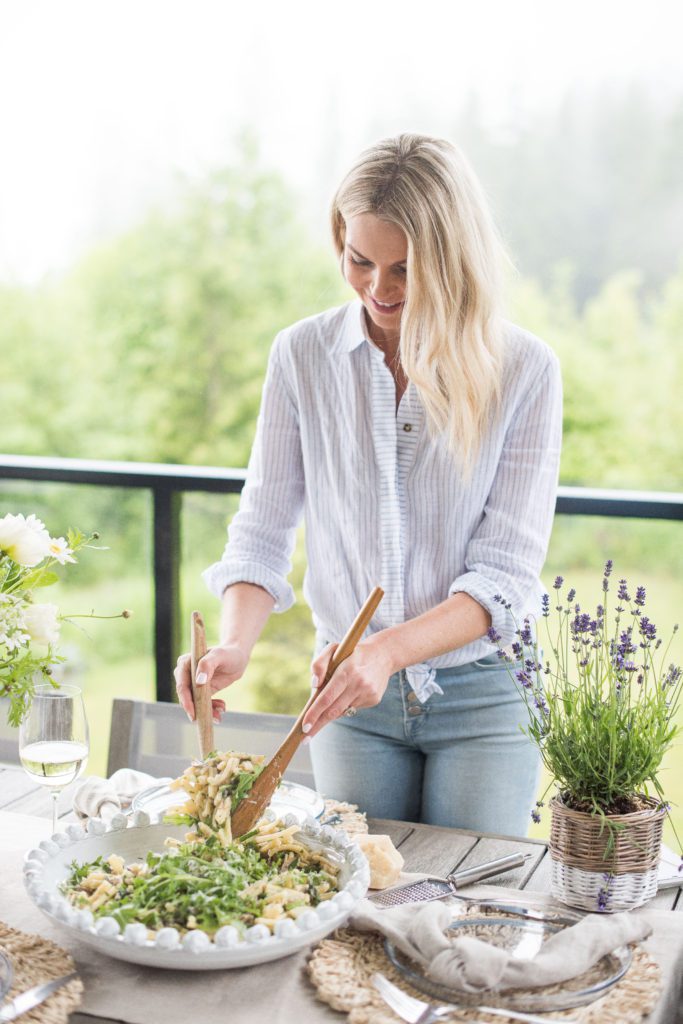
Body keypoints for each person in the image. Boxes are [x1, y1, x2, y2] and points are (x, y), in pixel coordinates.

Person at [175, 133, 562, 835]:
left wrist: (382, 652)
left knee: (464, 904)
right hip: (348, 703)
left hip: (483, 694)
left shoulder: (524, 370)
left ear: (452, 263)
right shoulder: (301, 355)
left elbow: (504, 577)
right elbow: (262, 529)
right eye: (359, 261)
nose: (377, 289)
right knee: (357, 898)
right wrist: (233, 645)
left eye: (405, 270)